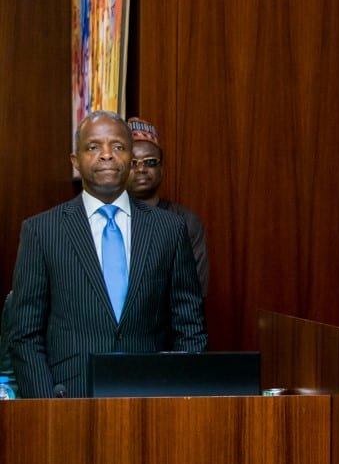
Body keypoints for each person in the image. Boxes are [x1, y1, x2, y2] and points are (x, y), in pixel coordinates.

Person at [8, 111, 207, 398]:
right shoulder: (41, 231)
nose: (106, 155)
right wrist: (47, 407)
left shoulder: (169, 229)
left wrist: (181, 398)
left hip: (151, 398)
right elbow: (24, 335)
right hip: (69, 399)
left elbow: (189, 325)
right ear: (75, 161)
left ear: (130, 157)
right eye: (93, 147)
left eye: (117, 147)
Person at [127, 117, 209, 297]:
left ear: (162, 169)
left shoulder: (186, 222)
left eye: (149, 162)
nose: (141, 169)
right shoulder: (109, 220)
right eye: (132, 163)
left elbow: (195, 291)